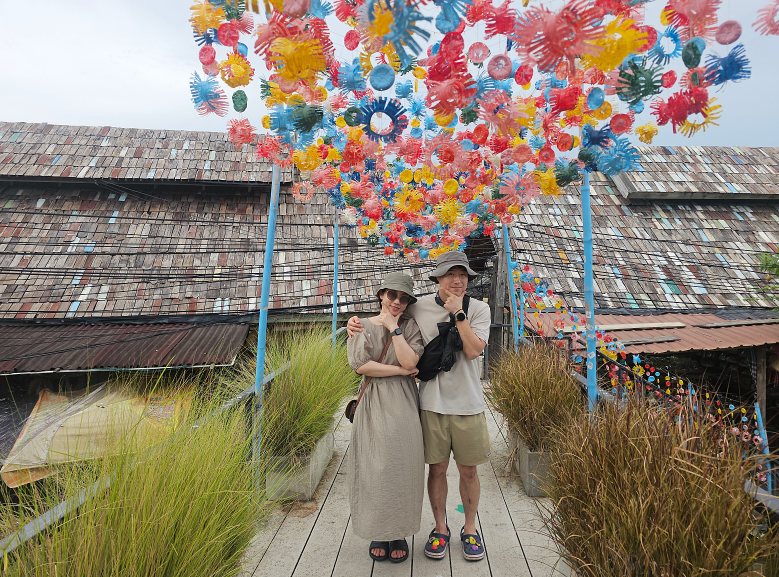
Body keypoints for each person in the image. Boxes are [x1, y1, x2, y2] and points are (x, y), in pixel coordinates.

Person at [348, 251, 491, 562]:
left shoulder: (479, 309)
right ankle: (440, 528)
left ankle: (470, 528)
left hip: (468, 403)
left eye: (463, 275)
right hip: (430, 403)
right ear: (438, 278)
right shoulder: (419, 306)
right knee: (436, 470)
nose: (457, 280)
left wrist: (459, 313)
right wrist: (354, 322)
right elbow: (388, 311)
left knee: (468, 471)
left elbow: (473, 352)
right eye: (451, 274)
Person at [346, 272, 425, 564]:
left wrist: (394, 328)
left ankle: (398, 531)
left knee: (402, 467)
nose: (397, 302)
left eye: (404, 298)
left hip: (403, 402)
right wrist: (401, 372)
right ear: (382, 294)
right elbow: (361, 365)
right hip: (374, 400)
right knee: (374, 468)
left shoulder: (410, 327)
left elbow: (410, 360)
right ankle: (378, 530)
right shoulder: (361, 325)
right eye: (392, 295)